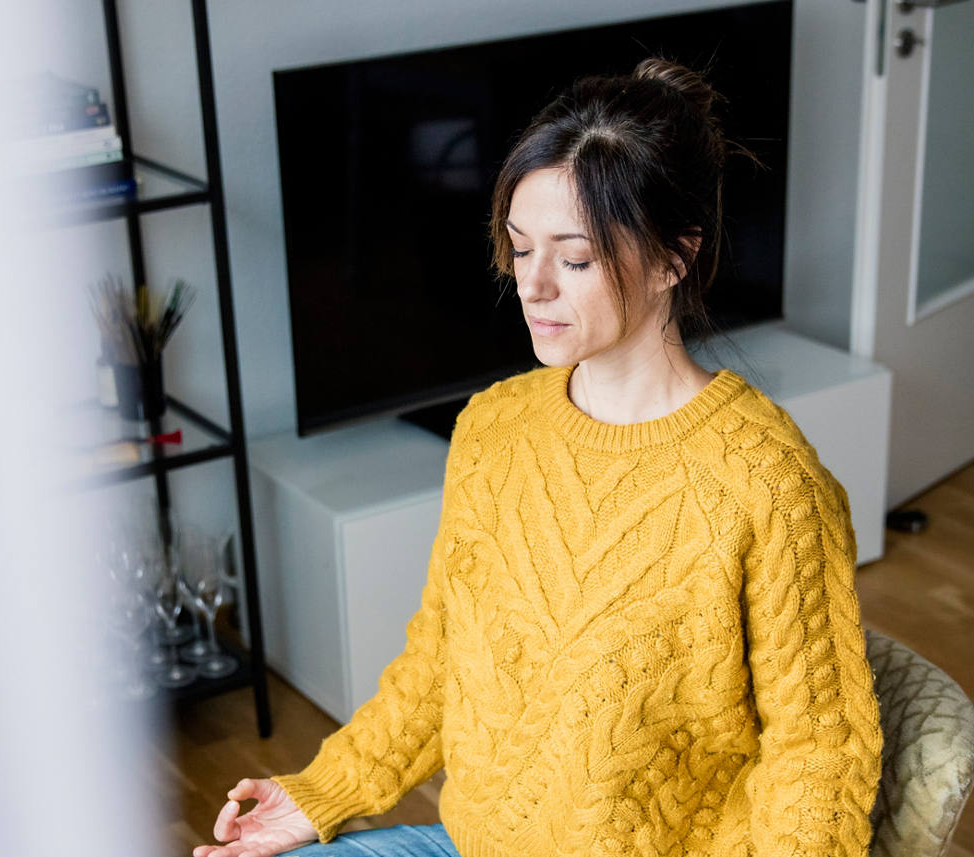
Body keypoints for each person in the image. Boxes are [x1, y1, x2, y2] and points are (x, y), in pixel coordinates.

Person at [194, 55, 883, 857]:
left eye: (575, 258)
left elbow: (816, 759)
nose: (533, 285)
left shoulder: (769, 482)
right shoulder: (492, 429)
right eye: (521, 249)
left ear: (675, 257)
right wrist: (321, 791)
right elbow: (440, 663)